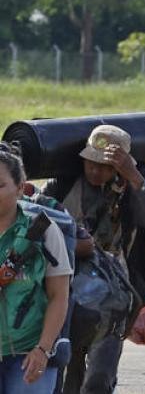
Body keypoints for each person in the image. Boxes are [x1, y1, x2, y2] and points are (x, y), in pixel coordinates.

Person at [45, 124, 145, 394]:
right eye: (91, 163)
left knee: (98, 381)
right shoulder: (65, 182)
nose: (95, 170)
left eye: (104, 166)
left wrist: (133, 175)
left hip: (114, 298)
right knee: (68, 375)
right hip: (65, 292)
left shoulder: (134, 186)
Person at [0, 144, 71, 393]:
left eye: (0, 186)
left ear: (20, 188)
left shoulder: (43, 231)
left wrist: (42, 349)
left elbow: (58, 295)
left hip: (30, 354)